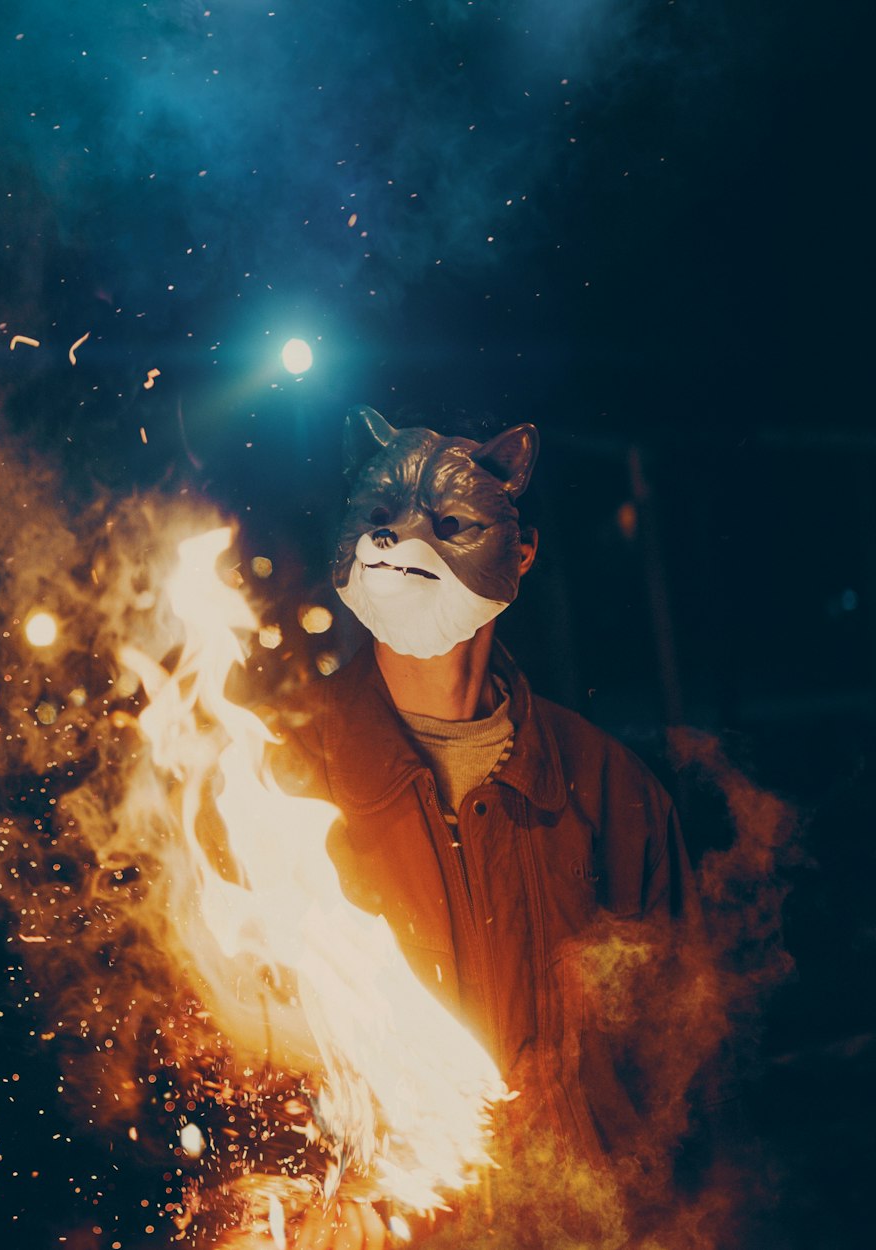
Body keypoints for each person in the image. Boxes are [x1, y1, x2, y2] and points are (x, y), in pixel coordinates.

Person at [276, 406, 703, 1249]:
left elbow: (684, 1068)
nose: (400, 544)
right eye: (377, 519)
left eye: (450, 523)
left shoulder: (610, 793)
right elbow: (222, 1050)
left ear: (523, 550)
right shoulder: (281, 791)